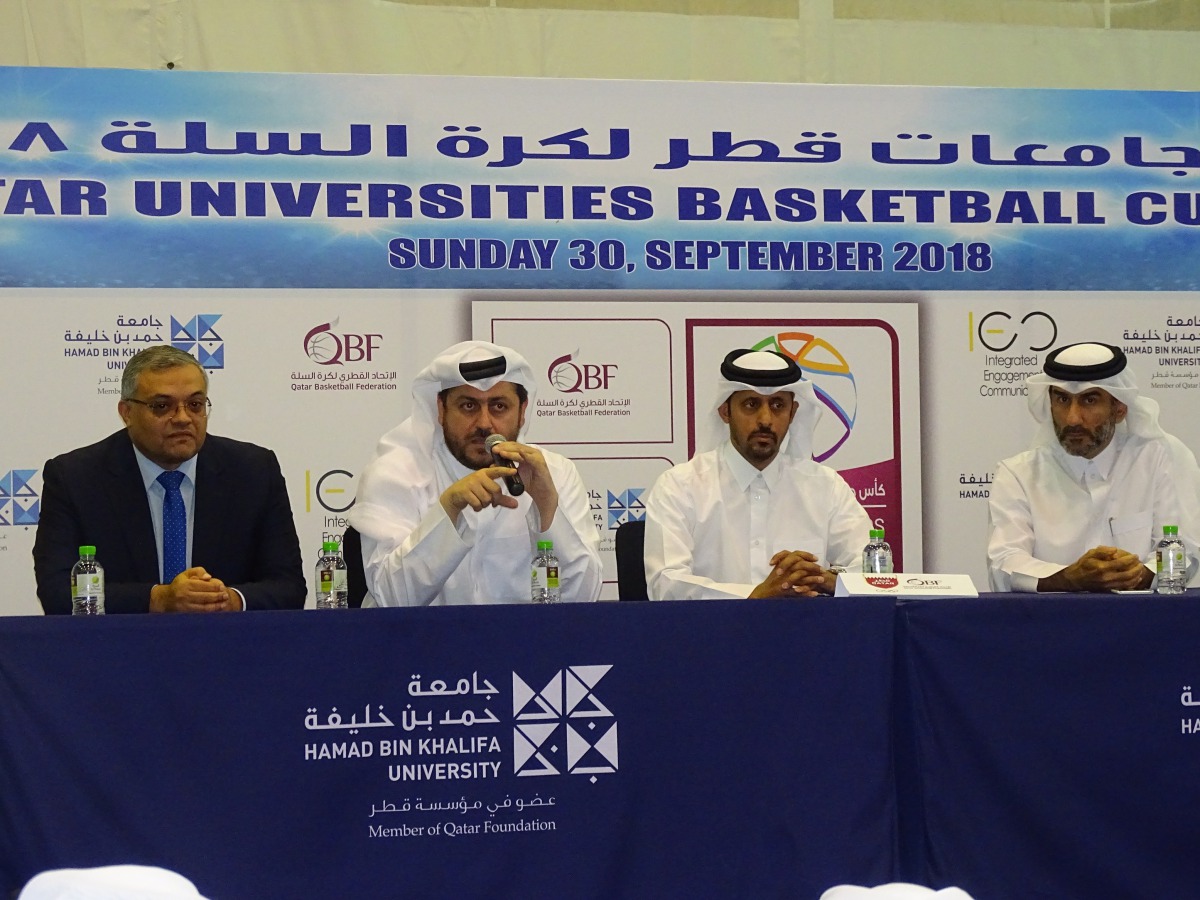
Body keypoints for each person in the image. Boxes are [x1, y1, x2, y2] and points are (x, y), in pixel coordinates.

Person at [33, 346, 307, 614]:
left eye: (195, 404)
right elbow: (57, 591)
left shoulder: (254, 471)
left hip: (227, 648)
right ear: (127, 412)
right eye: (162, 406)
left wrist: (228, 600)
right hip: (121, 651)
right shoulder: (75, 477)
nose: (183, 418)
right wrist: (158, 599)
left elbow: (289, 585)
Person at [349, 341, 602, 606]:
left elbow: (584, 599)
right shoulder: (395, 473)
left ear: (522, 411)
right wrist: (447, 511)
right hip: (424, 643)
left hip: (526, 643)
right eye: (468, 406)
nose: (484, 424)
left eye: (499, 406)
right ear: (441, 409)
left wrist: (548, 509)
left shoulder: (555, 473)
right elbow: (391, 600)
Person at [643, 348, 872, 601]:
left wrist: (824, 579)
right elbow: (666, 584)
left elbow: (870, 568)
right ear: (725, 412)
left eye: (777, 405)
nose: (765, 419)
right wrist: (755, 596)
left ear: (792, 413)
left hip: (806, 635)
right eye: (751, 405)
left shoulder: (826, 486)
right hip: (712, 637)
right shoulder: (680, 486)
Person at [987, 341, 1200, 592]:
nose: (1072, 418)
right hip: (1052, 625)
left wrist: (1140, 574)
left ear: (1119, 409)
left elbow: (1186, 551)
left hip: (1144, 623)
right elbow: (1003, 563)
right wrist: (1069, 578)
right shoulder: (1018, 474)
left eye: (1089, 400)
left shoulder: (1160, 458)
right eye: (1062, 399)